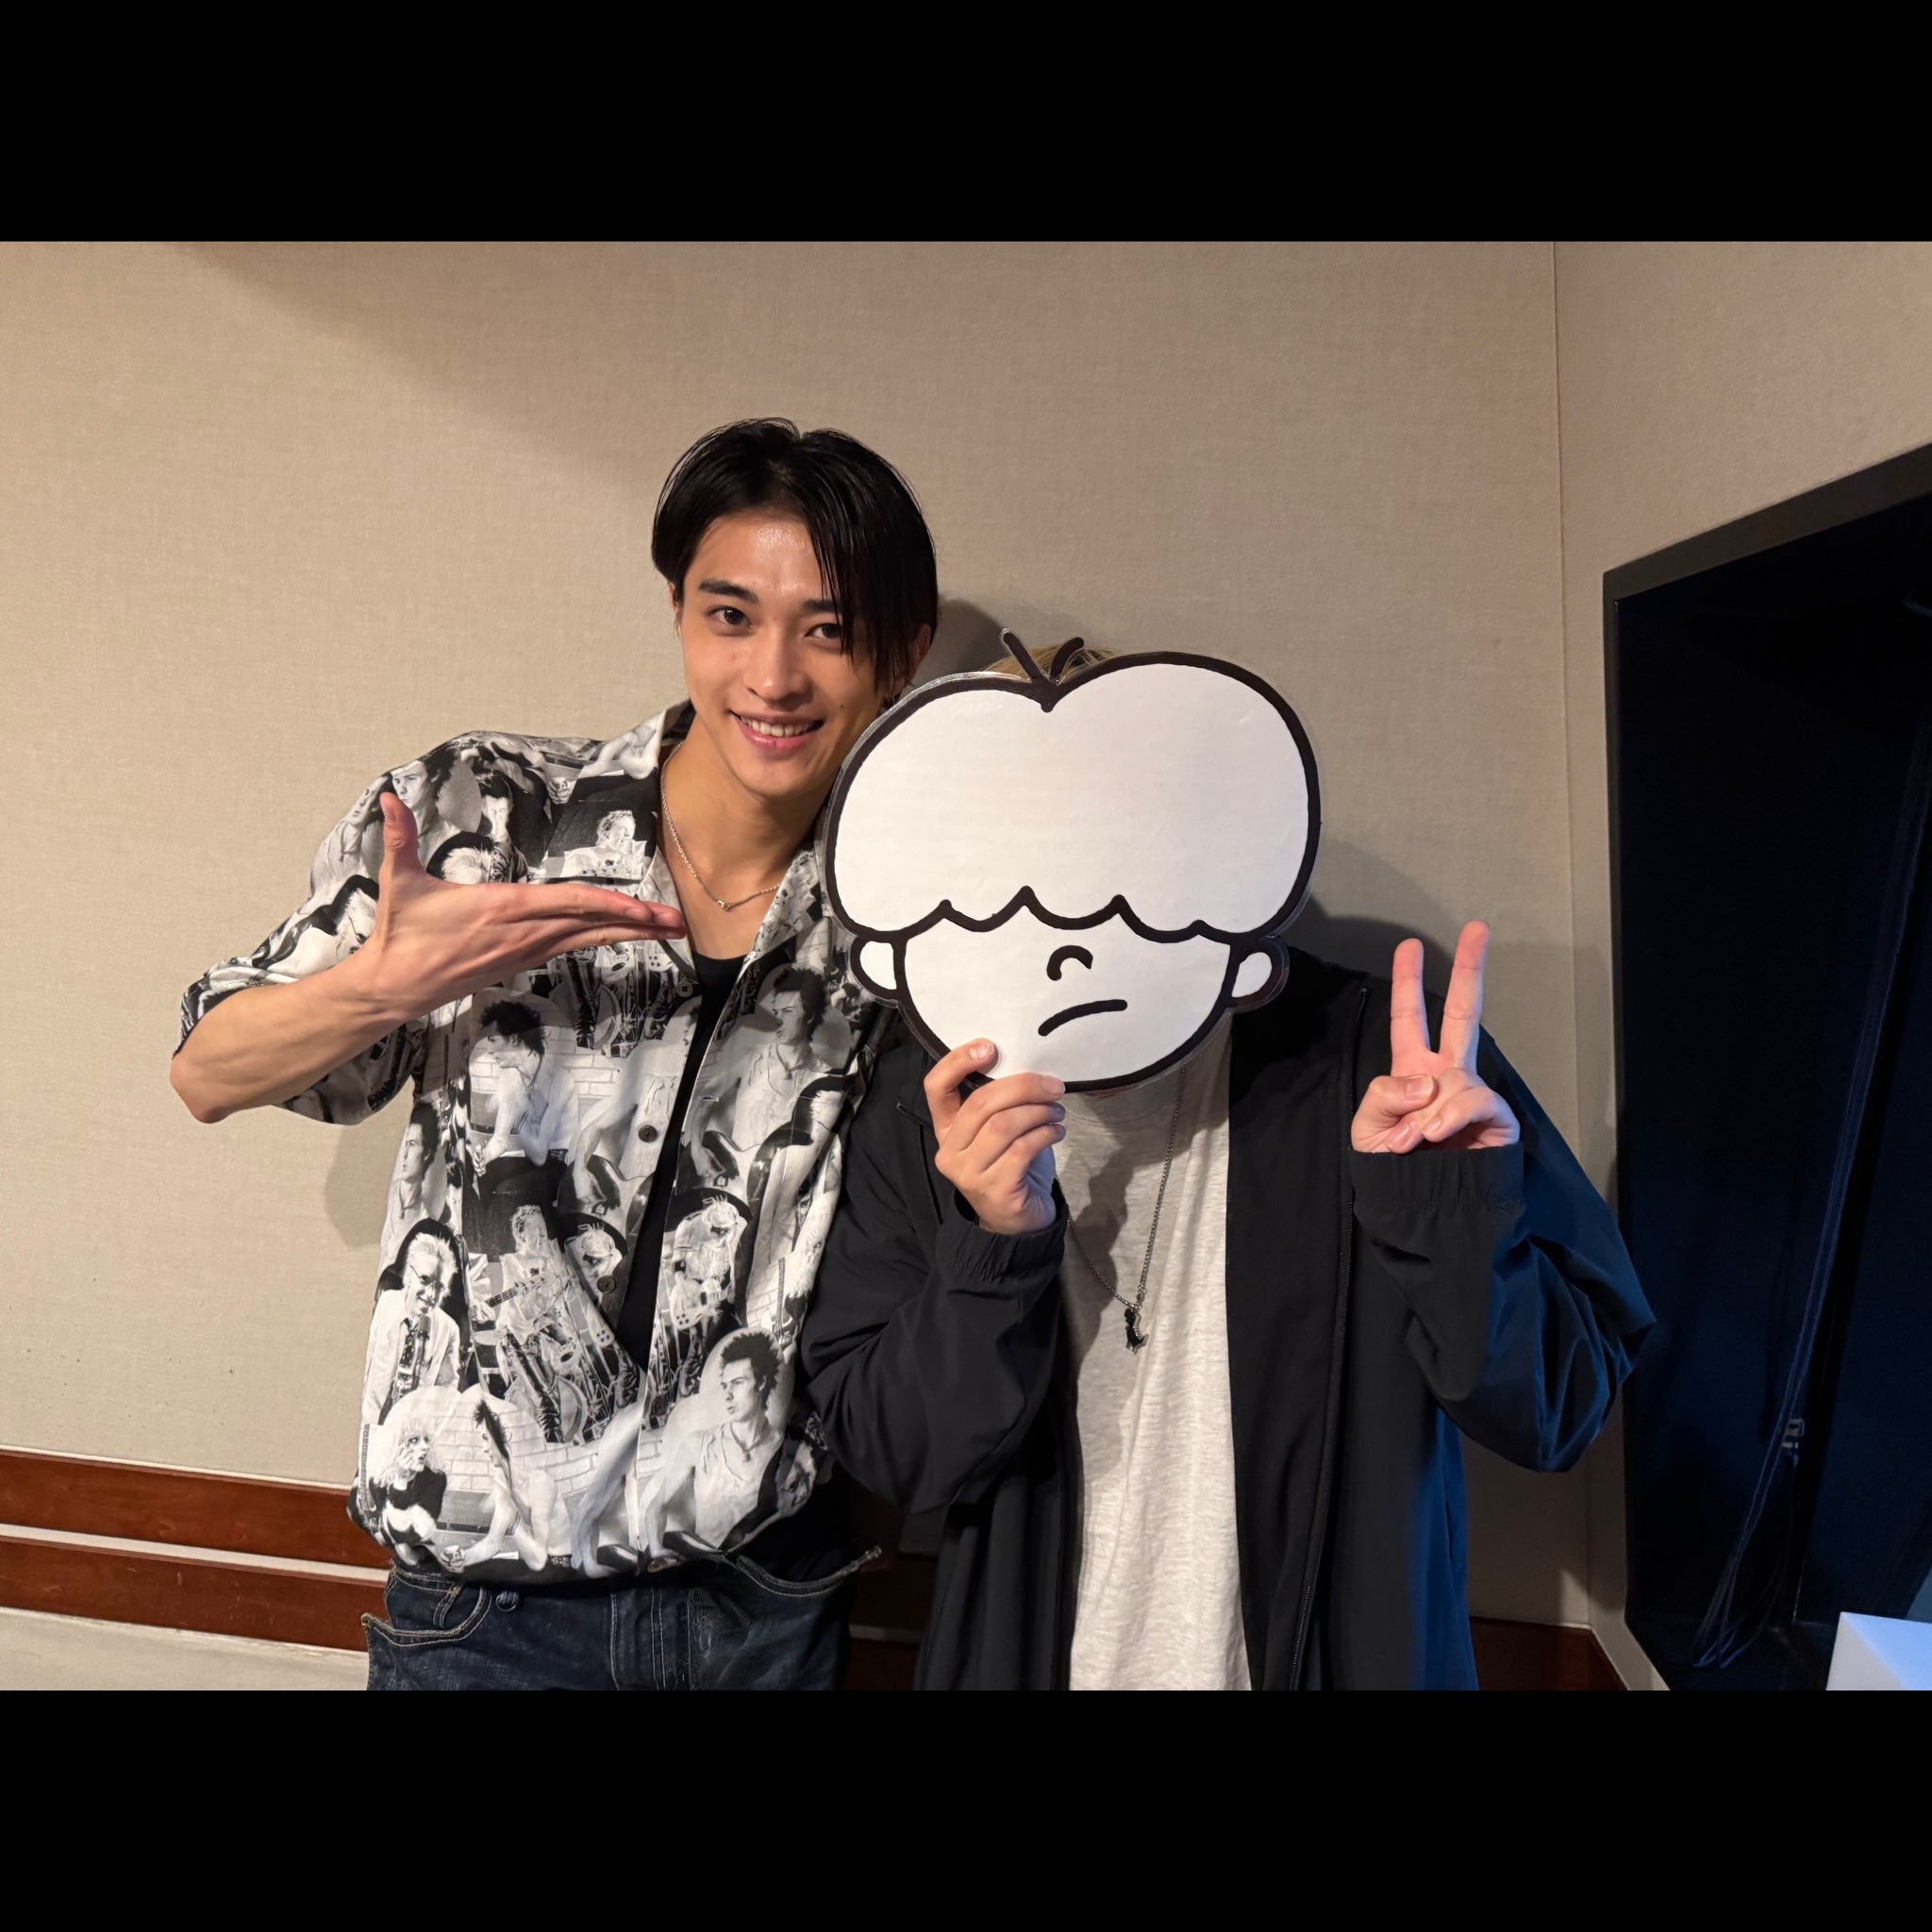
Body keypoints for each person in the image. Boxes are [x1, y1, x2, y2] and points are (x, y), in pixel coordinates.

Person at [173, 418, 938, 1690]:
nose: (773, 675)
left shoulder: (912, 913)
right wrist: (384, 984)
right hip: (484, 1601)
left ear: (902, 653)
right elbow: (207, 1071)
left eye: (830, 629)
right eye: (731, 616)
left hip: (760, 1589)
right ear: (680, 612)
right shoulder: (490, 812)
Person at [802, 814, 1655, 1685]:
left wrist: (1447, 1212)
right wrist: (990, 1252)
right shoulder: (928, 1097)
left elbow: (1560, 1407)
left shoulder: (1386, 1060)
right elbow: (895, 1454)